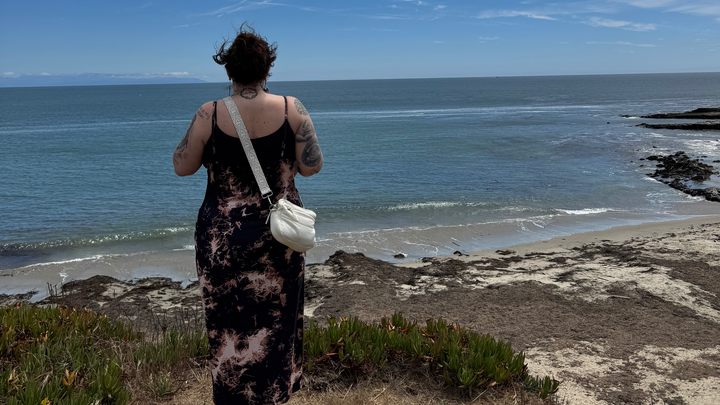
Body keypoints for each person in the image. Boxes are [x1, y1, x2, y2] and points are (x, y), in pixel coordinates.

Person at [172, 24, 323, 404]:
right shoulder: (292, 109)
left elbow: (182, 166)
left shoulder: (208, 114)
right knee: (277, 320)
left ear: (228, 71)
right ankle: (273, 394)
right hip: (279, 238)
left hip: (222, 240)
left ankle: (232, 396)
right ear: (268, 69)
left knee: (227, 323)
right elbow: (313, 166)